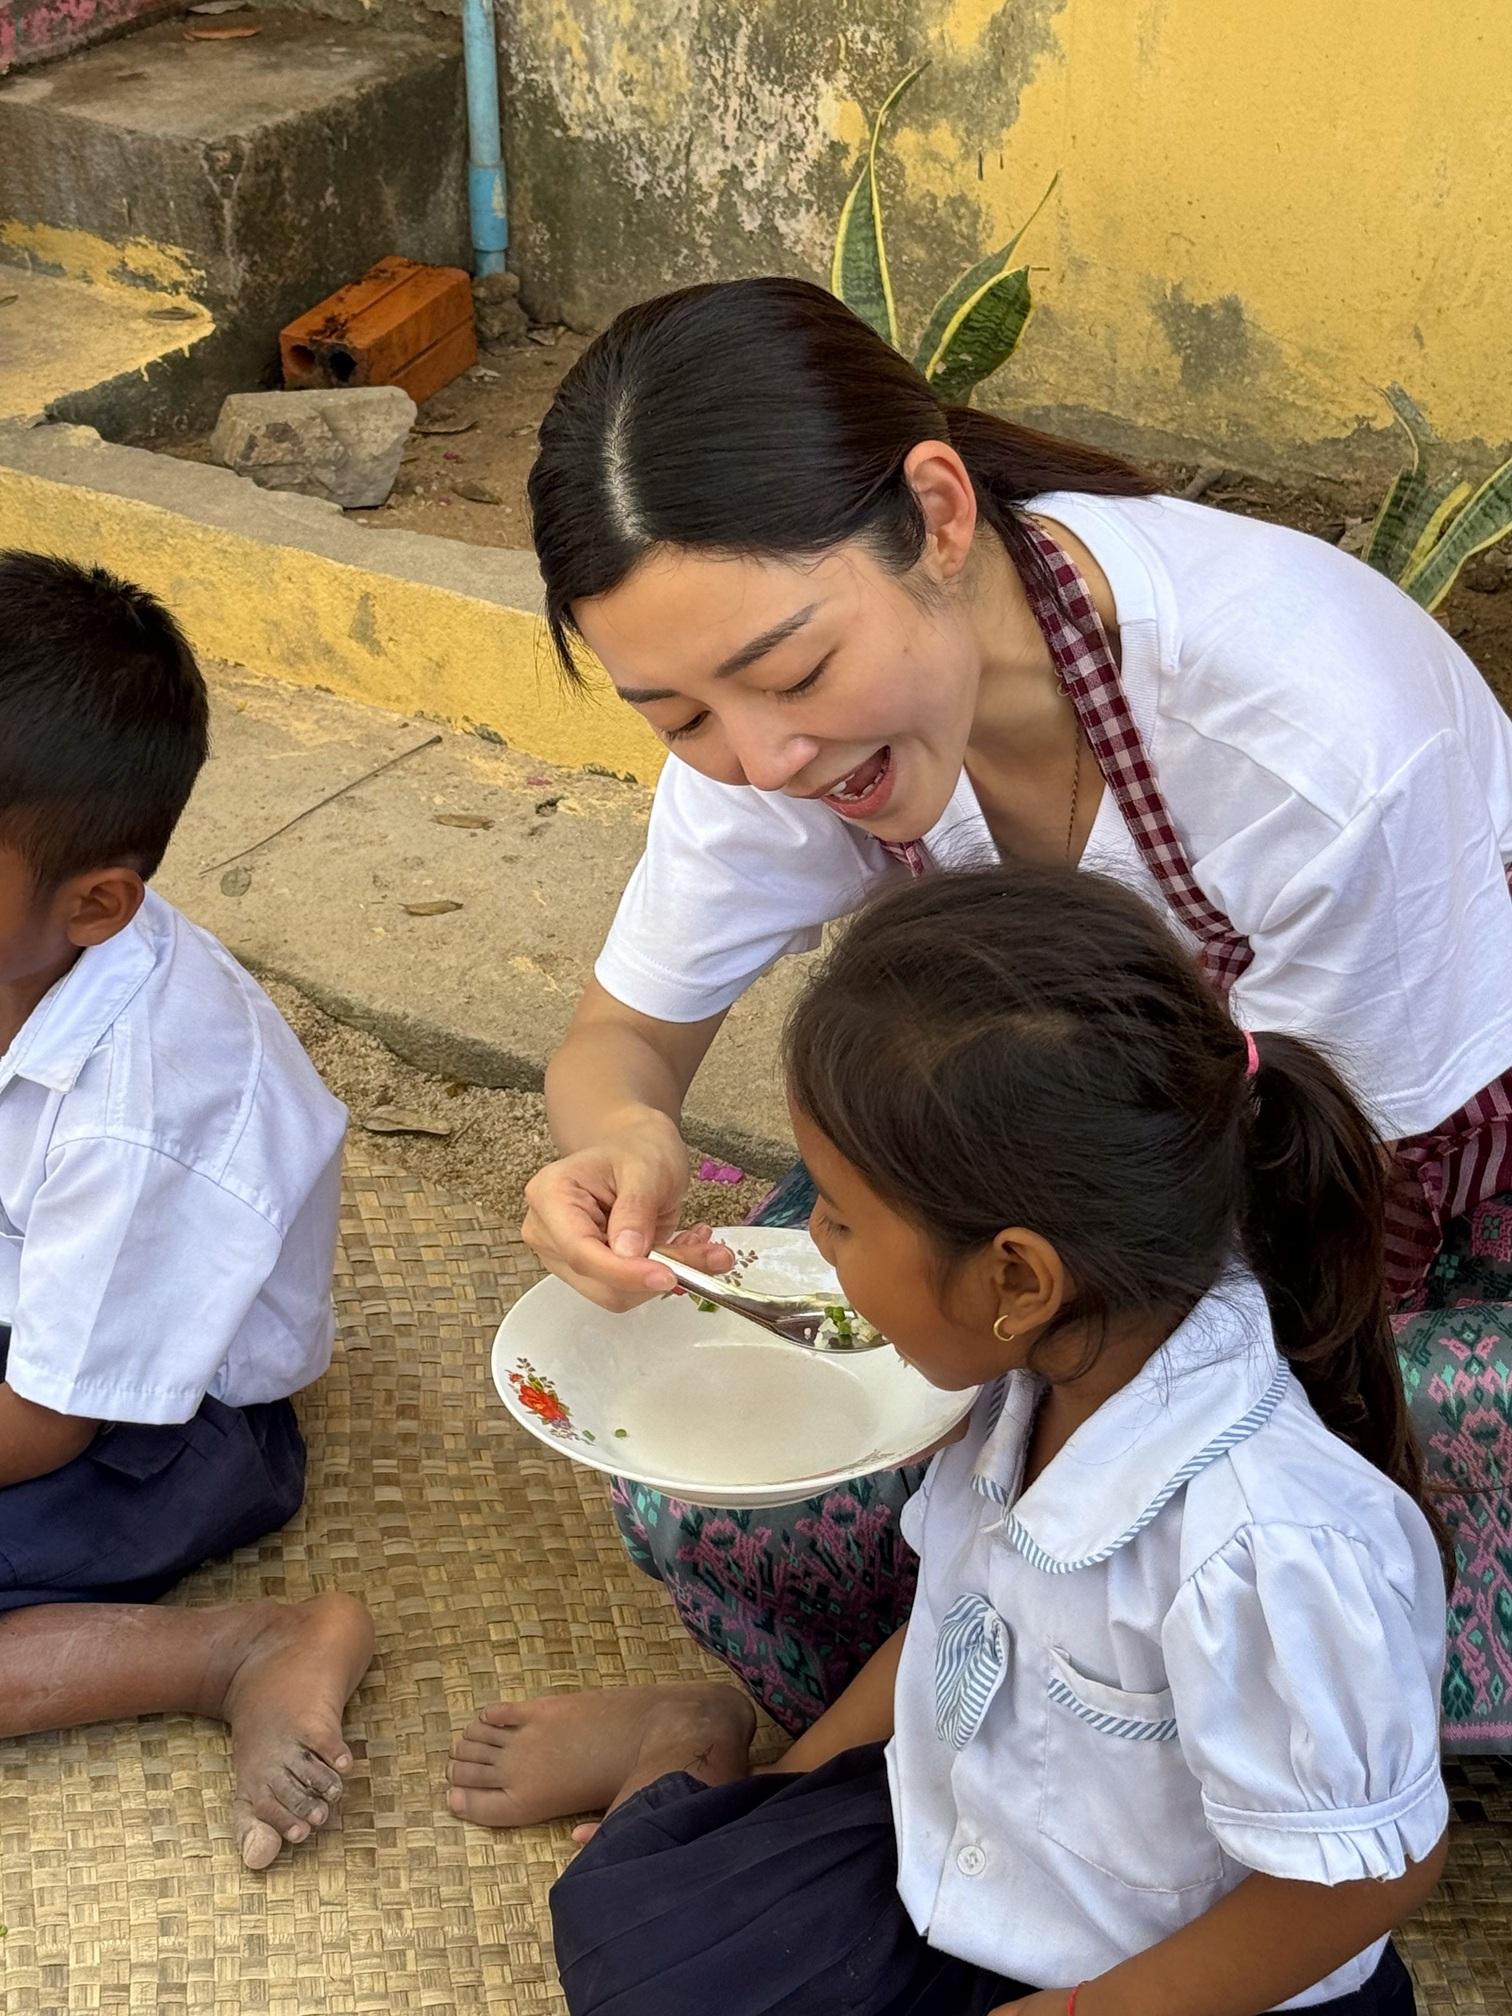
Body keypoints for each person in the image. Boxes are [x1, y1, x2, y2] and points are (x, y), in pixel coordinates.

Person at [500, 275, 1512, 1745]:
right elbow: (621, 1040)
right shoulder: (781, 719)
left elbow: (1339, 1213)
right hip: (1059, 1181)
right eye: (682, 718)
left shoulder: (1312, 730)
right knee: (715, 1479)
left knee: (1209, 1526)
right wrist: (618, 1136)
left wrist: (1023, 1379)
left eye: (794, 674)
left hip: (1368, 1212)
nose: (766, 761)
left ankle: (924, 1744)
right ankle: (926, 1734)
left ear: (938, 513)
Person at [549, 864, 1445, 2016]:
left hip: (1165, 1985)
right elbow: (951, 1626)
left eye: (839, 1218)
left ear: (1016, 1279)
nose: (819, 1249)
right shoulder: (1029, 1380)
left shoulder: (1271, 1547)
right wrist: (774, 1806)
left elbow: (1365, 1877)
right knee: (633, 1939)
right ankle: (695, 1740)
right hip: (968, 1863)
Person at [0, 552, 374, 1869]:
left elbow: (50, 1422)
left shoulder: (140, 1106)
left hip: (164, 1428)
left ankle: (236, 1650)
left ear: (95, 904)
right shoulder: (27, 949)